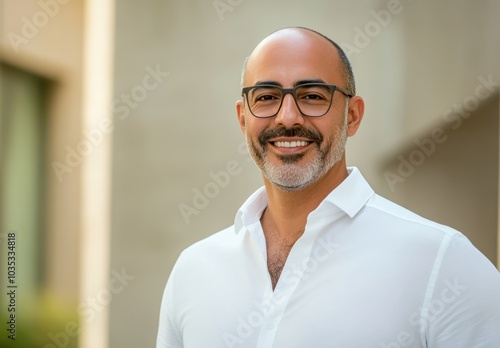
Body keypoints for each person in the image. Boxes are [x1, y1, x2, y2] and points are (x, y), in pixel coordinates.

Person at [157, 27, 500, 348]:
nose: (287, 117)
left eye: (312, 96)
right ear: (243, 117)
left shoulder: (444, 262)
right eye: (266, 97)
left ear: (352, 116)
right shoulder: (193, 269)